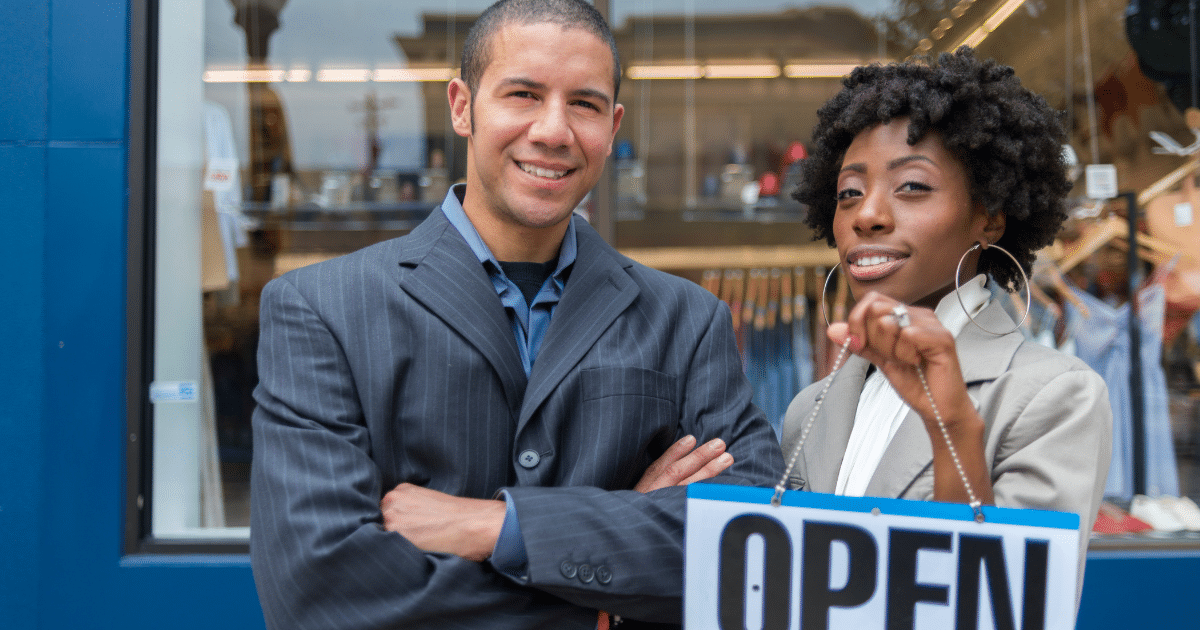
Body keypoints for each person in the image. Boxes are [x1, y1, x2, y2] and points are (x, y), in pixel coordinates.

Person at [248, 1, 784, 628]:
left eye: (583, 104)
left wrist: (497, 526)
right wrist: (599, 596)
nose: (553, 131)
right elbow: (319, 589)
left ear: (612, 127)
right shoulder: (320, 310)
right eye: (523, 94)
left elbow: (752, 542)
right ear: (461, 106)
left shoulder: (687, 320)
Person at [780, 48, 1112, 580]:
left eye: (912, 186)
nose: (867, 214)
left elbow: (1011, 602)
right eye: (848, 193)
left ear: (989, 218)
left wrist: (953, 425)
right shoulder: (811, 408)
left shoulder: (1055, 398)